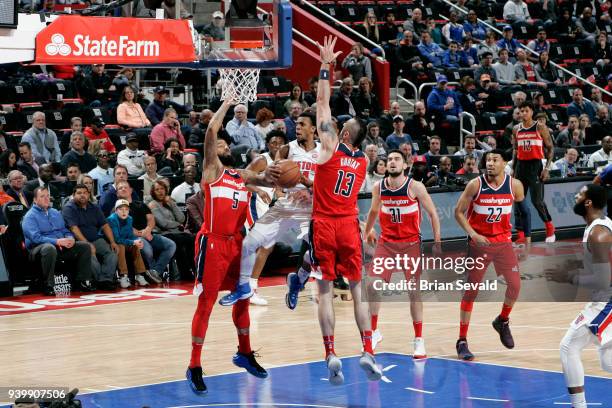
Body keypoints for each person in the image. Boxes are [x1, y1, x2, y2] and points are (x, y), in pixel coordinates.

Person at [186, 98, 280, 394]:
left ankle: (245, 352)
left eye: (228, 147)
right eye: (222, 146)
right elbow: (211, 131)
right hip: (212, 243)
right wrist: (227, 104)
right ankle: (194, 365)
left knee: (244, 296)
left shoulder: (240, 177)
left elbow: (265, 176)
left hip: (236, 244)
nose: (224, 148)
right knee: (207, 303)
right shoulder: (212, 170)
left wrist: (279, 176)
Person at [308, 36, 381, 385]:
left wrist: (326, 65)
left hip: (324, 224)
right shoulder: (364, 160)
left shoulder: (330, 145)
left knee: (323, 291)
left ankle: (331, 352)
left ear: (346, 133)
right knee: (357, 289)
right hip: (349, 224)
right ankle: (367, 350)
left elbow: (321, 103)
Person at [220, 112, 320, 307]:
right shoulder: (286, 149)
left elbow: (327, 185)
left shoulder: (324, 152)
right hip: (285, 204)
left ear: (313, 129)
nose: (297, 127)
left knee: (318, 253)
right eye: (297, 124)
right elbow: (274, 176)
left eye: (302, 124)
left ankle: (297, 281)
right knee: (250, 243)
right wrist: (278, 185)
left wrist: (309, 185)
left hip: (310, 207)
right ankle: (244, 287)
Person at [365, 149, 441, 356]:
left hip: (410, 245)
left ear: (405, 165)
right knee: (372, 285)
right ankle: (373, 332)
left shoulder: (415, 187)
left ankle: (418, 339)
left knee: (414, 292)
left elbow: (433, 214)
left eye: (396, 159)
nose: (392, 162)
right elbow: (373, 212)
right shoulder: (378, 187)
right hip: (387, 244)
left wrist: (437, 242)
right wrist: (366, 233)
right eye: (389, 159)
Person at [454, 149, 526, 360]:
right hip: (480, 244)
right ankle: (462, 340)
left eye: (495, 159)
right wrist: (473, 234)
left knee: (515, 285)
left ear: (505, 163)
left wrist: (525, 237)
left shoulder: (515, 185)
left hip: (503, 242)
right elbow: (458, 212)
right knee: (471, 292)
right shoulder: (475, 184)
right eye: (488, 160)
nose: (491, 163)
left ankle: (502, 320)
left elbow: (524, 211)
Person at [553, 184, 612, 408]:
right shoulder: (598, 227)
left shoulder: (598, 234)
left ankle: (579, 406)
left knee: (569, 346)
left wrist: (569, 277)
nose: (575, 197)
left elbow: (602, 280)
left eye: (579, 194)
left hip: (606, 301)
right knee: (608, 362)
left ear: (587, 203)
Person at [22, 187, 94, 296]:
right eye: (42, 196)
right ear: (35, 200)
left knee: (84, 246)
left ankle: (82, 282)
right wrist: (57, 241)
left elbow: (65, 230)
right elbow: (36, 238)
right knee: (49, 248)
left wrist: (70, 238)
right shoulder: (29, 216)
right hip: (37, 250)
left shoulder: (55, 212)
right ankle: (48, 285)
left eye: (47, 196)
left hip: (60, 247)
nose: (46, 199)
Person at [62, 183, 121, 291]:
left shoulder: (94, 207)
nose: (82, 195)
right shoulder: (69, 208)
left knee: (112, 253)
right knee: (89, 254)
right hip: (79, 243)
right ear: (73, 195)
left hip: (96, 239)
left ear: (89, 194)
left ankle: (105, 280)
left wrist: (112, 242)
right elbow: (74, 229)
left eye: (85, 193)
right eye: (79, 193)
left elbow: (105, 225)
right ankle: (99, 280)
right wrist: (87, 244)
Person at [512, 101, 556, 243]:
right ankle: (521, 235)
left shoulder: (540, 127)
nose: (523, 113)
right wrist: (513, 168)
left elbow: (550, 148)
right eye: (521, 111)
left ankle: (550, 228)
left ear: (531, 112)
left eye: (526, 111)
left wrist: (547, 168)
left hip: (535, 165)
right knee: (518, 201)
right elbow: (515, 150)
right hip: (520, 166)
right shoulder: (515, 129)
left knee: (537, 201)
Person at [115, 180, 176, 279]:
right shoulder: (116, 209)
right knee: (148, 250)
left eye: (125, 187)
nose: (123, 189)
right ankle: (152, 275)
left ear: (131, 190)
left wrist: (148, 229)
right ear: (117, 193)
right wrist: (141, 234)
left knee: (171, 245)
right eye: (120, 188)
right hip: (133, 237)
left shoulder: (140, 204)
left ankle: (155, 272)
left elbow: (151, 218)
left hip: (149, 234)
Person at [149, 180, 194, 279]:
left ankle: (194, 270)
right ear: (153, 192)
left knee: (192, 239)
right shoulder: (153, 205)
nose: (160, 192)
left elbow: (182, 218)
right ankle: (185, 273)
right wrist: (178, 224)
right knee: (180, 242)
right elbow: (163, 223)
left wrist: (172, 204)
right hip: (163, 234)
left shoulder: (169, 202)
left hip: (176, 232)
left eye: (162, 189)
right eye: (157, 189)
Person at [107, 199, 153, 288]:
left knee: (135, 246)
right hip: (110, 242)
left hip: (123, 241)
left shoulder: (129, 219)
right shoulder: (112, 219)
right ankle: (123, 276)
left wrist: (137, 241)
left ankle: (140, 275)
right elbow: (117, 239)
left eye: (126, 209)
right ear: (116, 210)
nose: (124, 212)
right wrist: (133, 242)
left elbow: (130, 236)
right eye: (121, 209)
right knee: (121, 246)